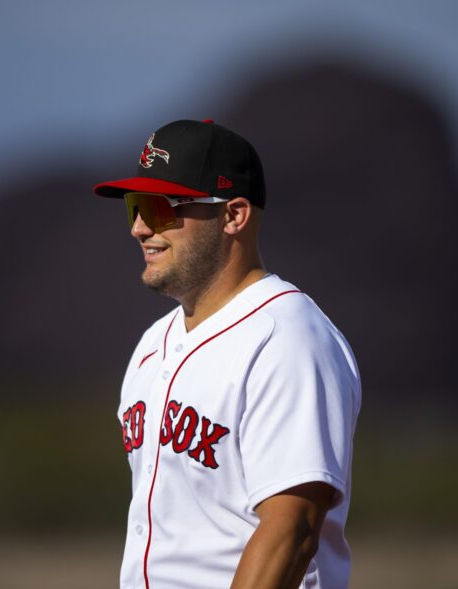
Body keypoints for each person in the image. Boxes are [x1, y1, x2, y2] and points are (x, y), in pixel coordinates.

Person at [94, 119, 361, 589]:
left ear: (233, 215)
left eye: (160, 207)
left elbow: (291, 530)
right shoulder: (151, 346)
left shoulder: (287, 339)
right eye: (136, 207)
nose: (138, 227)